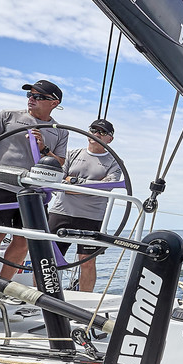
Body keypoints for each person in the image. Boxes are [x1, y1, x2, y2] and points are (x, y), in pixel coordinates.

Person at [0, 80, 68, 283]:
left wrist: (43, 148)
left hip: (35, 194)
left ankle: (3, 286)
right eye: (30, 95)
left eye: (39, 97)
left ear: (54, 102)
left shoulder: (60, 131)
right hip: (2, 186)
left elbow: (59, 164)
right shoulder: (7, 116)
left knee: (24, 242)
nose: (32, 99)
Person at [46, 119, 123, 293]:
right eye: (93, 130)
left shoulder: (115, 162)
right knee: (48, 258)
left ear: (110, 139)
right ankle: (43, 296)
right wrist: (87, 185)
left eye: (102, 132)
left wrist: (72, 184)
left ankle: (84, 301)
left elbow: (104, 188)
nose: (96, 134)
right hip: (61, 212)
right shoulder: (72, 154)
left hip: (91, 217)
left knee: (87, 261)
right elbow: (59, 180)